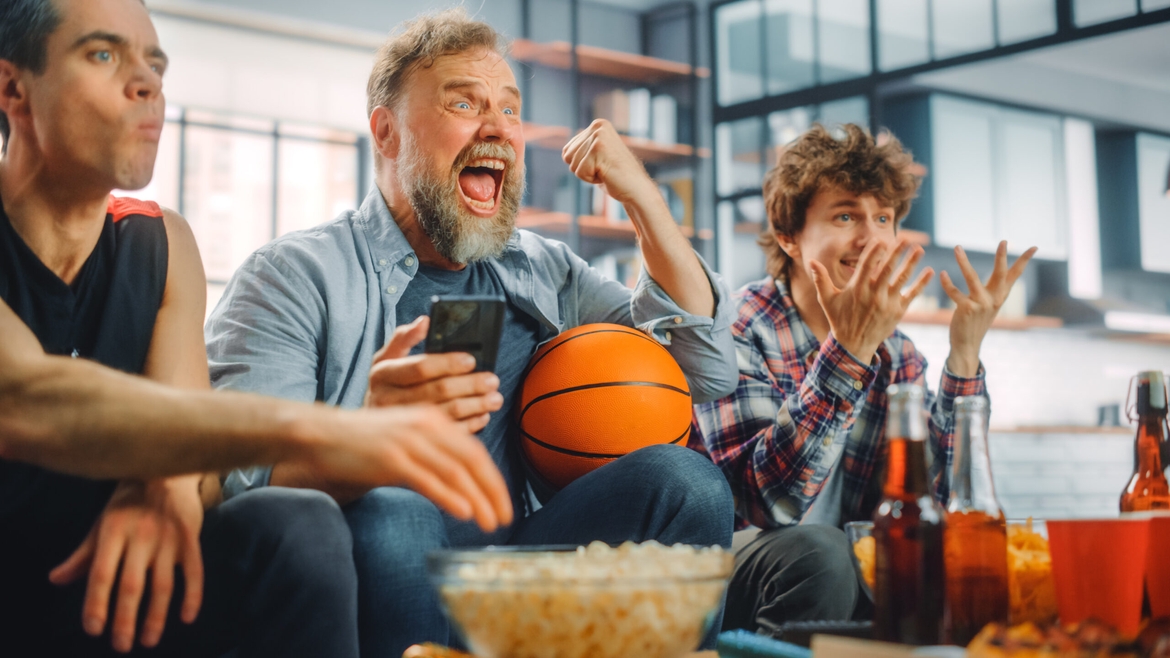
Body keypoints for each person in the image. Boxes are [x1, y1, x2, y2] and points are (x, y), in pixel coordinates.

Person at [205, 8, 737, 656]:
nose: (498, 129)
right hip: (383, 558)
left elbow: (705, 370)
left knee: (688, 482)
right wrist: (366, 437)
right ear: (387, 131)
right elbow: (247, 488)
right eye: (464, 102)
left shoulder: (544, 269)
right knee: (394, 506)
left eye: (510, 111)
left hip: (519, 559)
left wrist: (643, 200)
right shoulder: (291, 275)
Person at [0, 0, 509, 655]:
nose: (147, 83)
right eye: (103, 55)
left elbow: (197, 471)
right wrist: (337, 426)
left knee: (296, 521)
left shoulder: (162, 243)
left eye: (155, 64)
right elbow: (28, 398)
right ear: (12, 87)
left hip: (121, 580)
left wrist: (160, 483)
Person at [692, 124, 1035, 635]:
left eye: (883, 217)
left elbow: (939, 506)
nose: (872, 237)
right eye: (846, 214)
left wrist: (964, 354)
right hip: (734, 564)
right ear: (789, 236)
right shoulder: (738, 326)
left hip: (844, 572)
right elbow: (767, 501)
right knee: (823, 552)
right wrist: (848, 353)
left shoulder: (899, 353)